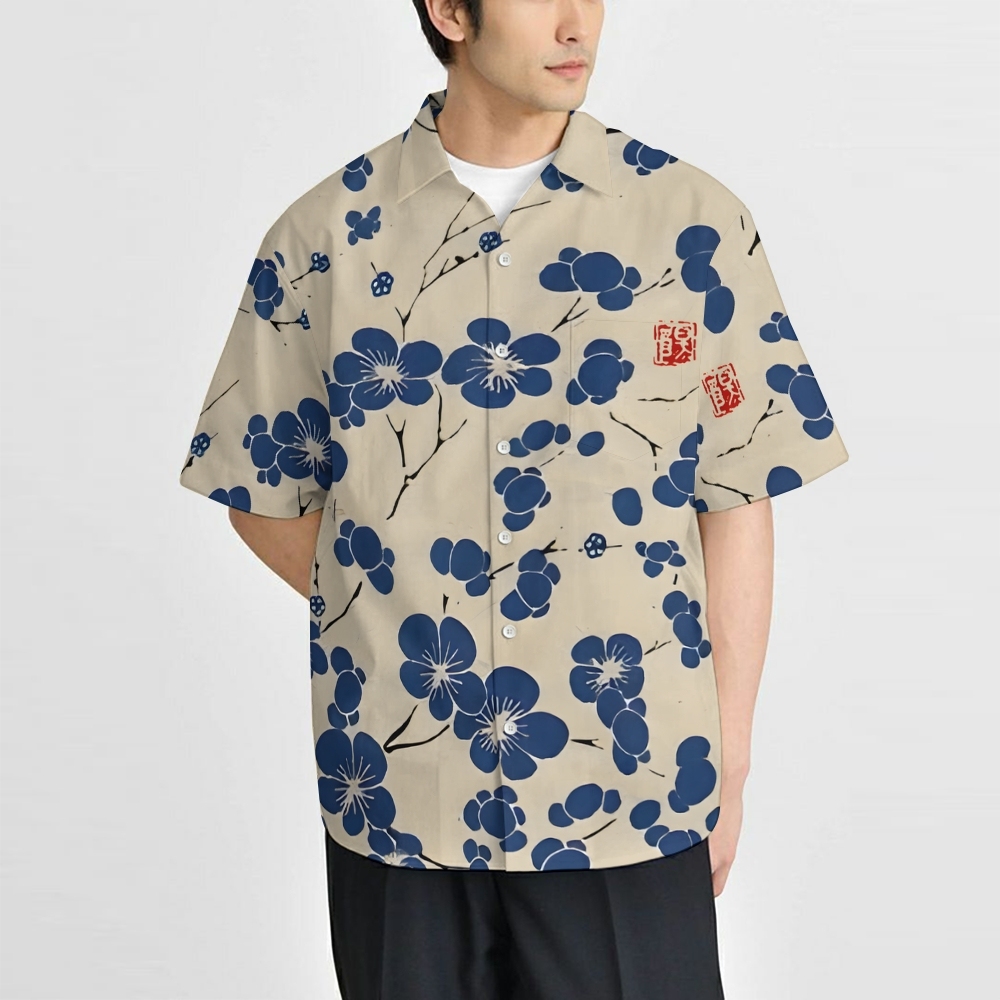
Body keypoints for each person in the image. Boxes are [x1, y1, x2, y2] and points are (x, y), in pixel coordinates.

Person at [177, 1, 849, 996]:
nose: (579, 23)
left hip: (629, 784)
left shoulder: (691, 225)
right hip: (400, 790)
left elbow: (738, 492)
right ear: (450, 11)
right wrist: (397, 607)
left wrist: (731, 756)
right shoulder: (323, 239)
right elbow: (261, 490)